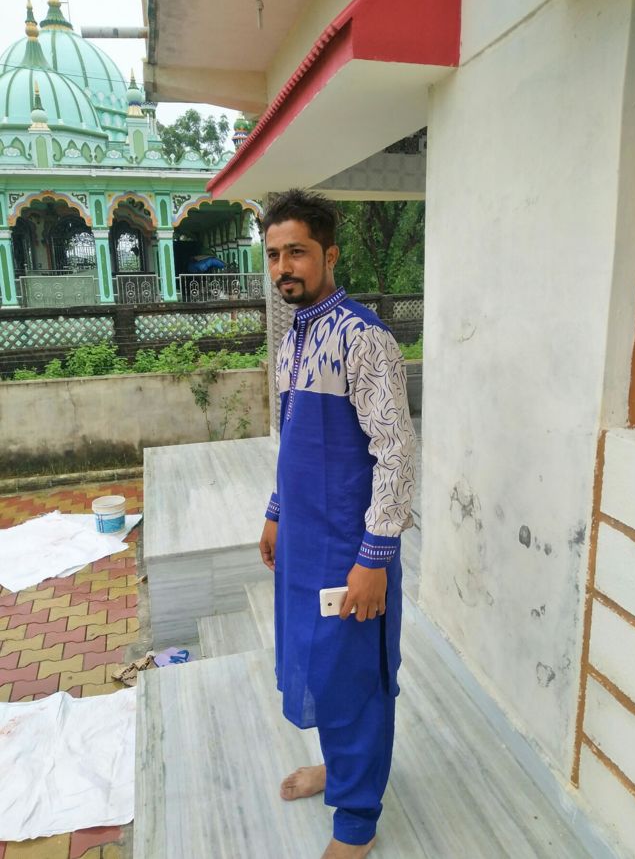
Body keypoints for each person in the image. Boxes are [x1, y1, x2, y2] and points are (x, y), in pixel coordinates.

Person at [258, 189, 416, 859]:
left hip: (351, 548)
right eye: (273, 254)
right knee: (318, 667)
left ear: (330, 254)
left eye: (296, 251)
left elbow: (396, 452)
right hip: (303, 543)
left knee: (355, 680)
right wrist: (276, 512)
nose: (283, 267)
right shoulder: (294, 336)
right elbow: (295, 438)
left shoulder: (363, 337)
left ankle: (357, 818)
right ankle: (338, 768)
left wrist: (374, 557)